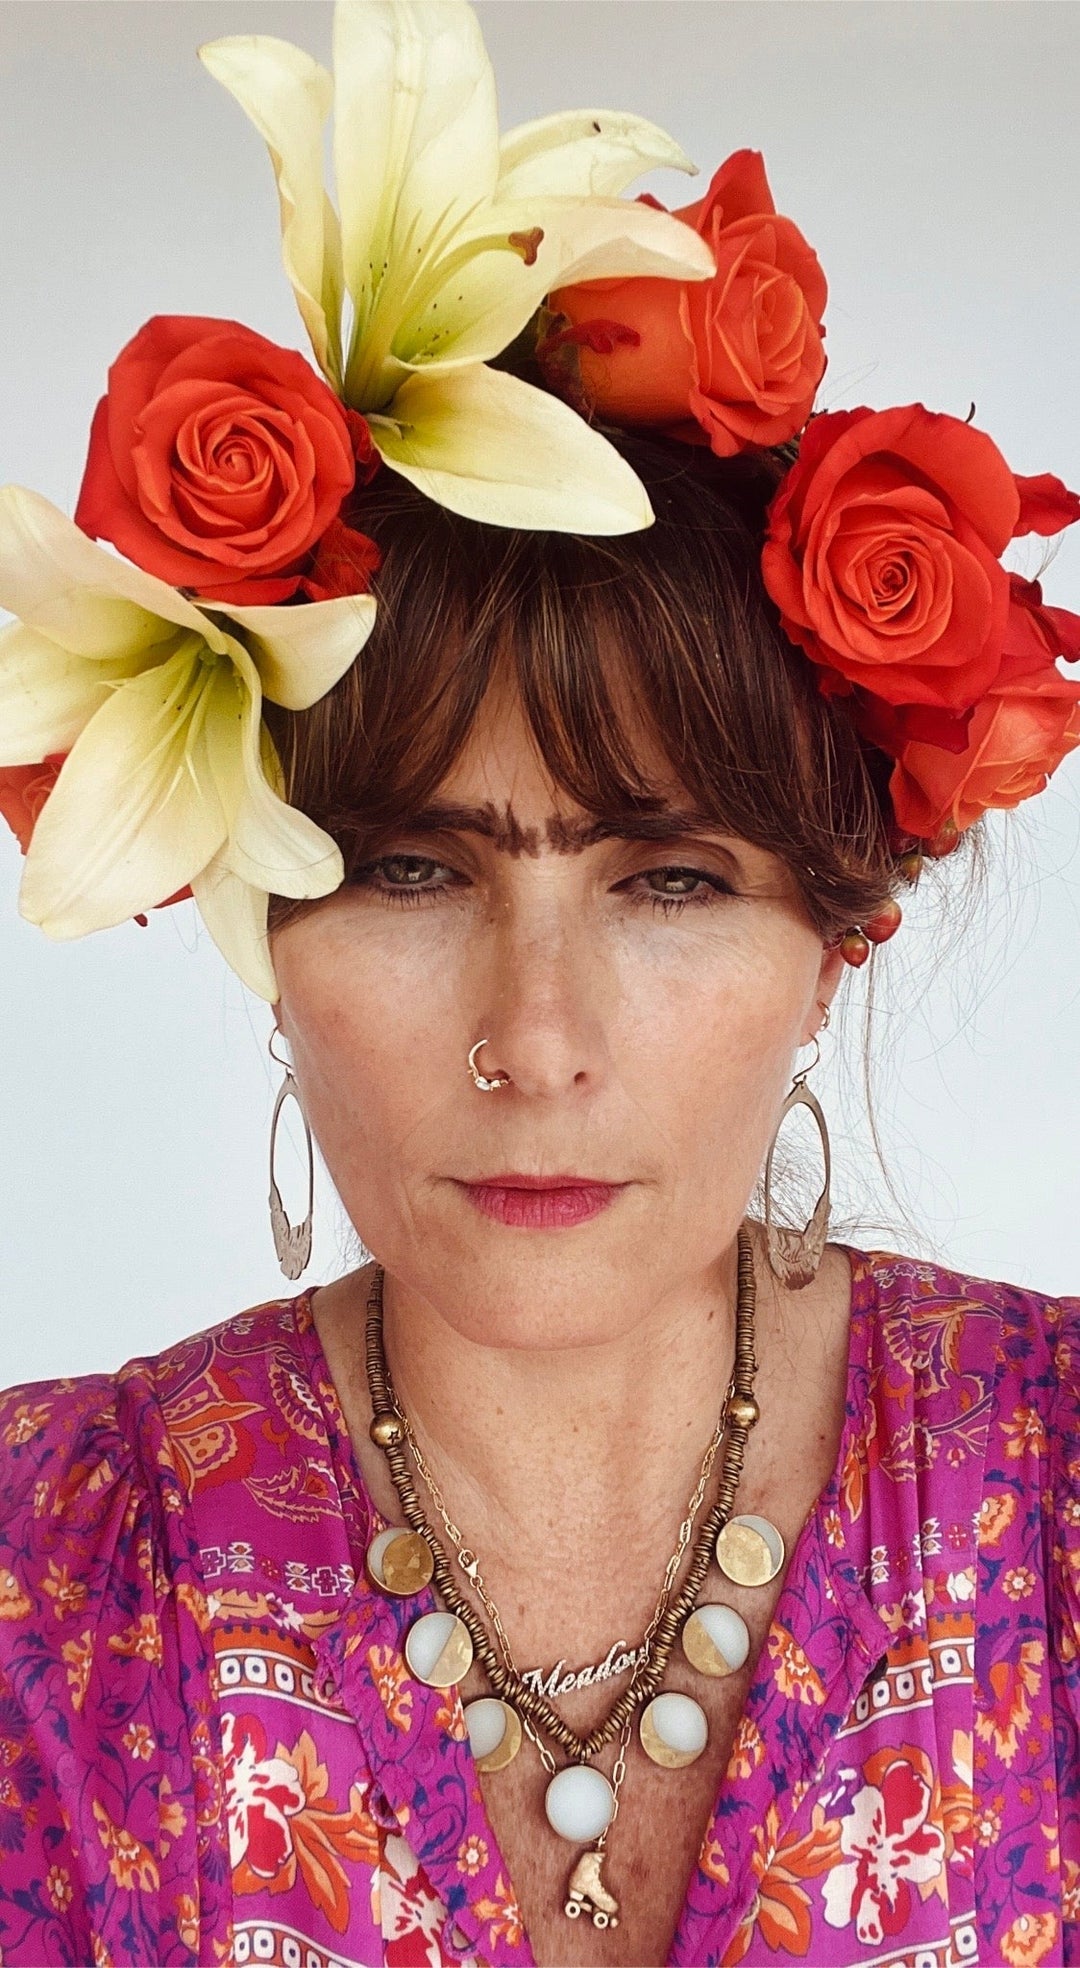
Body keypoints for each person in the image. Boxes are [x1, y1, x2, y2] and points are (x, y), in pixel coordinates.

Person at [0, 5, 1078, 1965]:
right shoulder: (47, 1585)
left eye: (669, 881)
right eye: (416, 871)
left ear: (838, 941)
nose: (539, 1040)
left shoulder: (1058, 1512)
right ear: (256, 913)